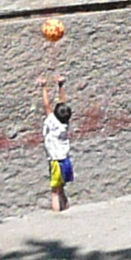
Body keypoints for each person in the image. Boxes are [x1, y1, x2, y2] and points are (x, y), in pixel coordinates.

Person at [40, 74, 73, 214]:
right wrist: (61, 86)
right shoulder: (64, 124)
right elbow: (63, 103)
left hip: (55, 162)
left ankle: (57, 213)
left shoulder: (52, 122)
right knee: (61, 188)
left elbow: (46, 105)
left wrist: (43, 88)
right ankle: (65, 207)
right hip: (66, 161)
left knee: (54, 191)